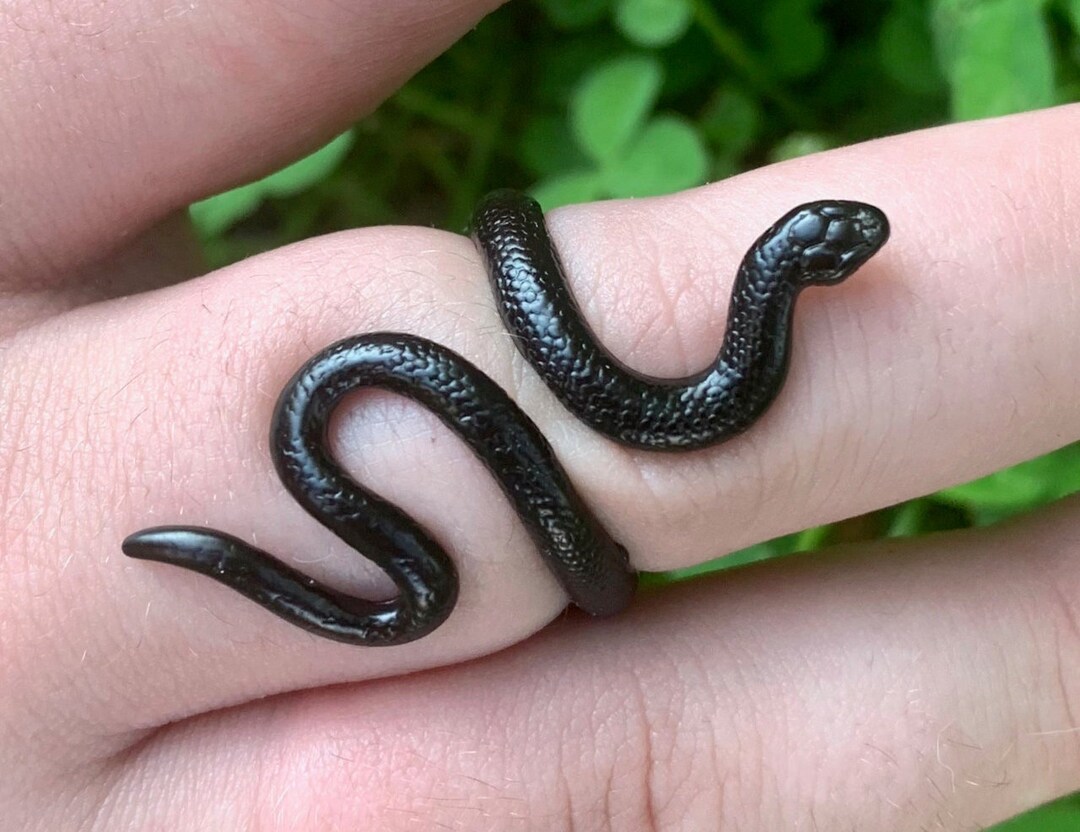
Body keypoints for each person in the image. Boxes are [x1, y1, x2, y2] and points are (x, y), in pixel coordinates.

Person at [2, 1, 1077, 829]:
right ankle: (388, 571)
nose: (844, 250)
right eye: (830, 243)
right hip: (501, 338)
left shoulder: (750, 345)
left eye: (830, 250)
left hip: (525, 326)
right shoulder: (735, 346)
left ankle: (420, 571)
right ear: (794, 252)